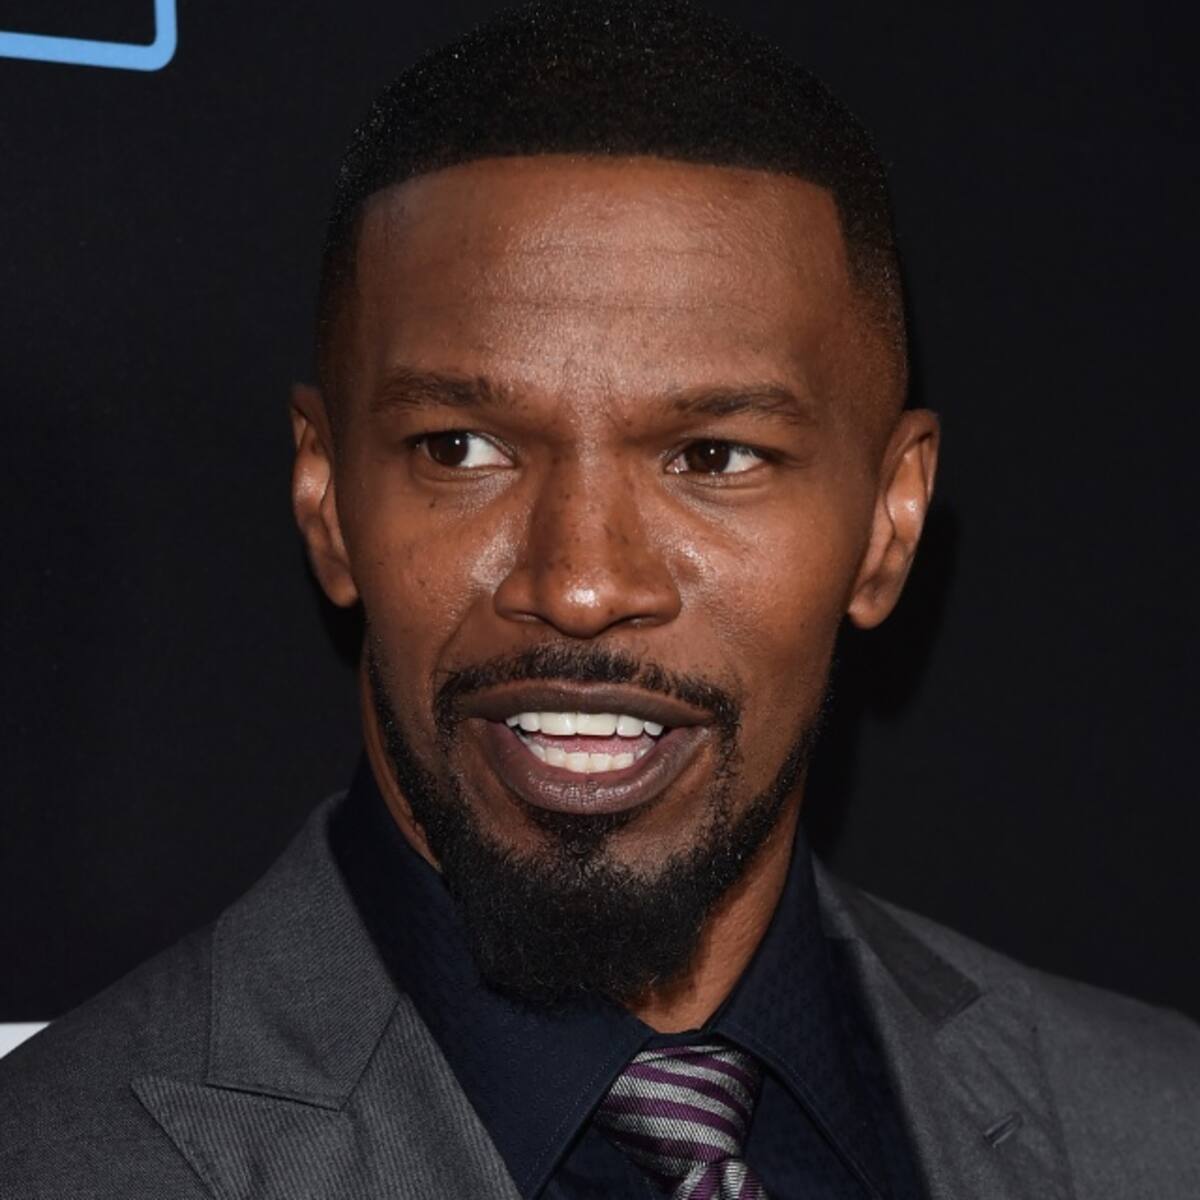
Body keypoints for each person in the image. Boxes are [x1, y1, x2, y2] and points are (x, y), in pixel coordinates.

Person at [2, 2, 1197, 1196]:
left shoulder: (1160, 1130)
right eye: (462, 448)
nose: (579, 587)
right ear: (326, 501)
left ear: (890, 524)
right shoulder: (56, 1162)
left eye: (713, 457)